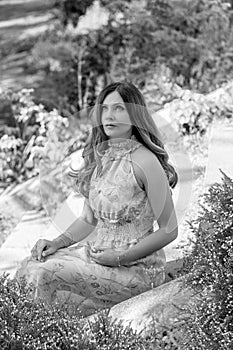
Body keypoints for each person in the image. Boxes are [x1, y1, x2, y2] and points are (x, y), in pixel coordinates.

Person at [16, 81, 178, 316]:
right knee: (29, 264)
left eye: (119, 108)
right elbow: (88, 219)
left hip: (136, 269)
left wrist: (121, 257)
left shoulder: (146, 161)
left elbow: (170, 229)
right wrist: (57, 243)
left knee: (44, 274)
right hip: (98, 256)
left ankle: (43, 335)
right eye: (105, 108)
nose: (109, 115)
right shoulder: (101, 156)